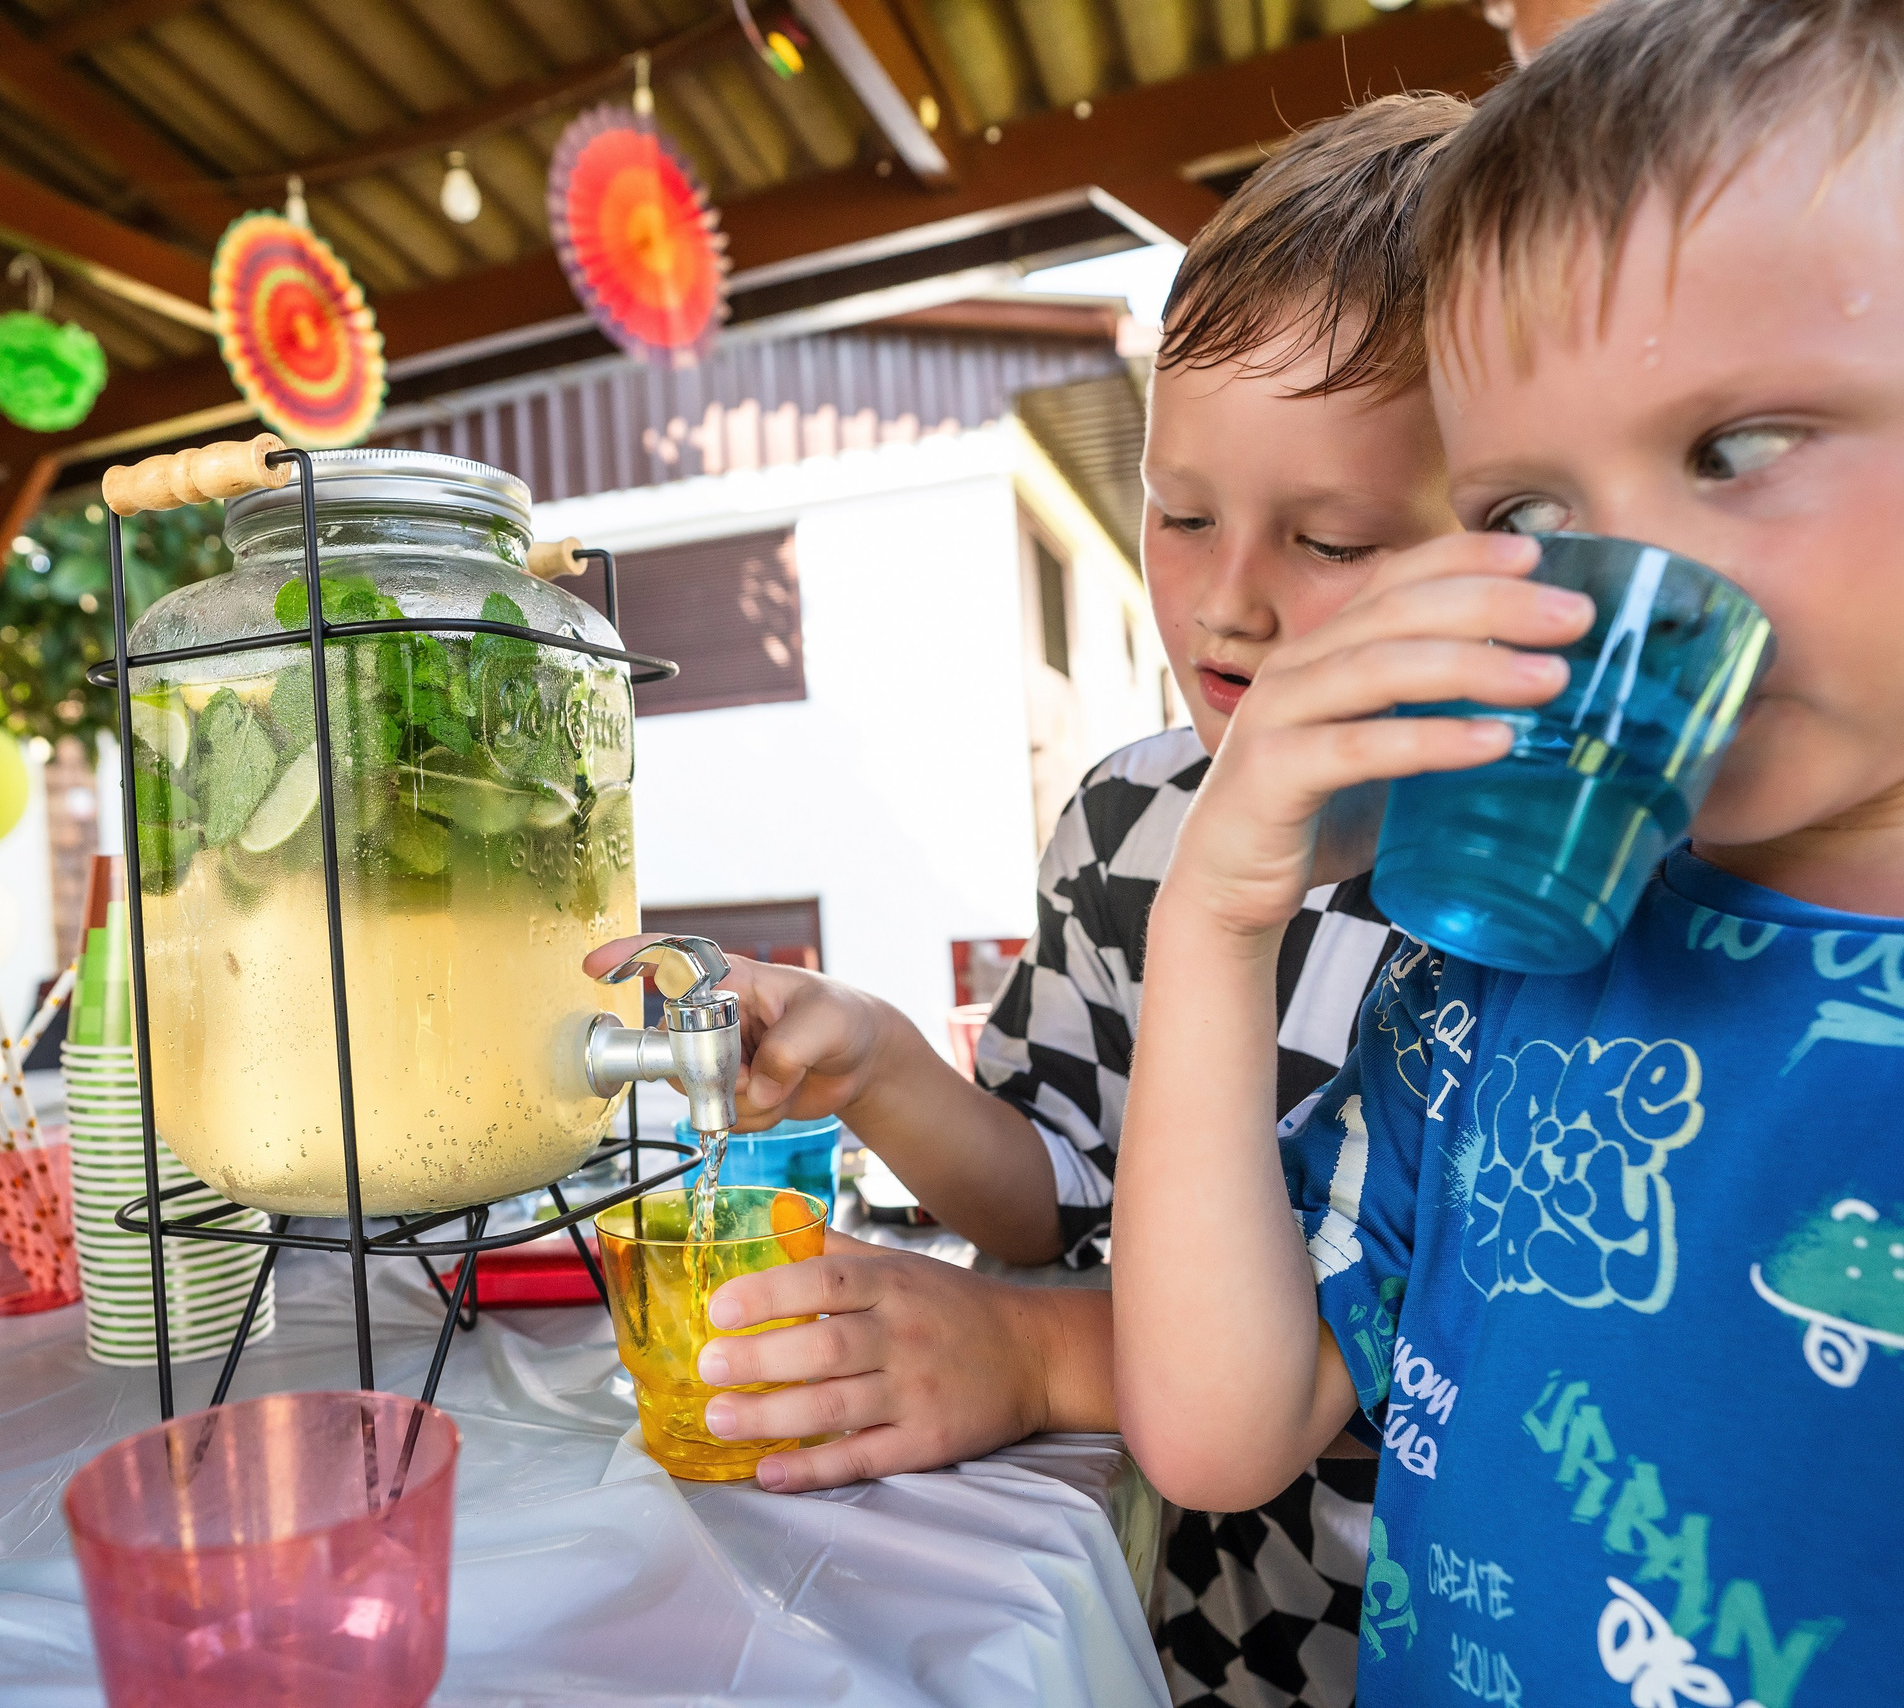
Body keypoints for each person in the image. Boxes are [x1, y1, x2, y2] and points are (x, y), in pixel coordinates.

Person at [1114, 3, 1904, 1704]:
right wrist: (1219, 914)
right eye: (1529, 513)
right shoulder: (1507, 967)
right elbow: (1218, 1432)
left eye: (1736, 447)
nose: (1616, 577)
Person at [591, 92, 1471, 1708]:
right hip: (1179, 1630)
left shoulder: (1511, 890)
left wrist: (1027, 1353)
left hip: (1418, 1637)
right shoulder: (1133, 815)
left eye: (1330, 537)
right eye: (1182, 511)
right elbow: (1059, 1195)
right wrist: (876, 1067)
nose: (1227, 598)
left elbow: (1379, 1326)